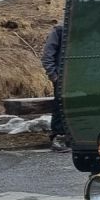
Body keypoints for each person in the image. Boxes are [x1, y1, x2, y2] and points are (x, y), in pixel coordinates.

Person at [41, 22, 68, 150]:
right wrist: (55, 76)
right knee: (60, 106)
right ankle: (58, 137)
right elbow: (47, 55)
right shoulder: (59, 31)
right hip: (63, 77)